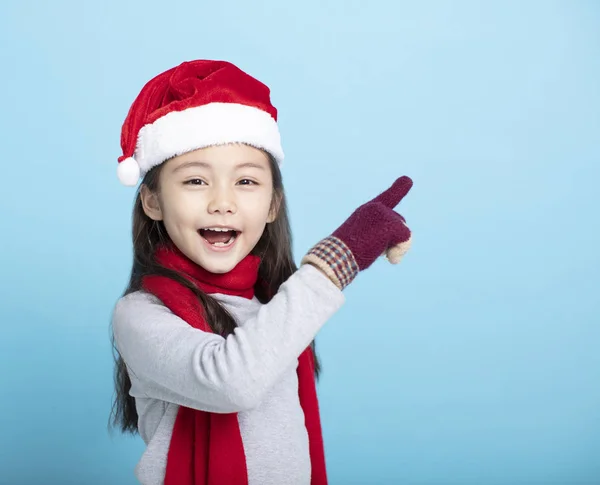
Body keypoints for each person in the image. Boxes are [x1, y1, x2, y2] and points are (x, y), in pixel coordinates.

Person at [109, 59, 413, 485]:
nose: (222, 202)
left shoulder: (274, 304)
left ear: (273, 205)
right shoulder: (141, 313)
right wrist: (340, 257)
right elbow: (230, 382)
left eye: (246, 182)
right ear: (153, 202)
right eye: (195, 181)